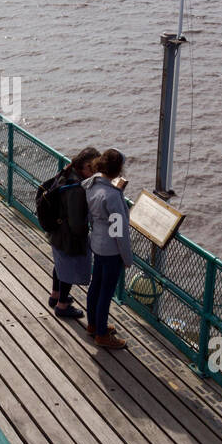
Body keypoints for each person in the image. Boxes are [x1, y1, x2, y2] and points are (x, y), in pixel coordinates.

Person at [82, 148, 132, 349]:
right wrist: (127, 258)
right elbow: (119, 231)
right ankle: (102, 334)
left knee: (96, 286)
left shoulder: (92, 185)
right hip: (111, 249)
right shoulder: (112, 195)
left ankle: (93, 324)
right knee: (106, 292)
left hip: (97, 243)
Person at [45, 146, 100, 319]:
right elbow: (76, 222)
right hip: (67, 236)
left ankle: (55, 296)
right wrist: (86, 234)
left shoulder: (66, 173)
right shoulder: (76, 189)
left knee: (60, 265)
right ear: (83, 167)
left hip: (56, 231)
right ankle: (62, 306)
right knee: (68, 269)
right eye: (92, 169)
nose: (95, 173)